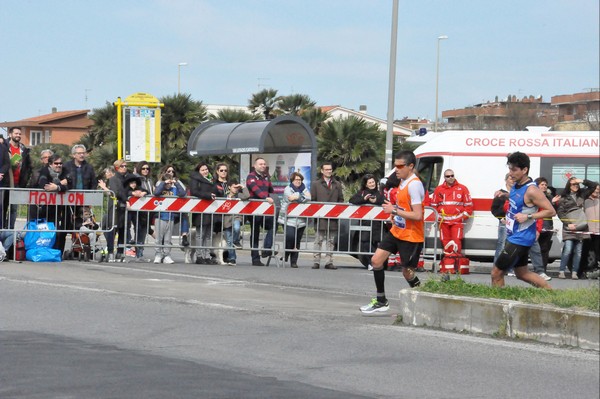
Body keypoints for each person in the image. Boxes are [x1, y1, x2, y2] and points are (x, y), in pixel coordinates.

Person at [360, 151, 424, 314]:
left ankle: (424, 298)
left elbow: (418, 215)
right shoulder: (402, 182)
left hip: (411, 236)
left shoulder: (414, 185)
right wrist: (394, 216)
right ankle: (381, 301)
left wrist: (394, 210)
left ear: (410, 166)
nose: (396, 169)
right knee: (376, 261)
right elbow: (404, 208)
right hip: (397, 231)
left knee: (407, 273)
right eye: (395, 165)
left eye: (400, 166)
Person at [490, 152, 555, 288]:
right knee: (522, 273)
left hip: (521, 237)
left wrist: (528, 216)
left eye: (514, 170)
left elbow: (551, 211)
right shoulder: (516, 185)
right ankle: (552, 294)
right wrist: (504, 195)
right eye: (509, 169)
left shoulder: (532, 190)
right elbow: (519, 199)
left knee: (496, 273)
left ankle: (498, 303)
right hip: (514, 234)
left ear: (524, 170)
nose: (510, 173)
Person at [431, 169, 473, 271]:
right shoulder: (438, 189)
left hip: (456, 222)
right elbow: (433, 206)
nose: (450, 177)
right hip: (443, 222)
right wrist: (439, 218)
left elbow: (469, 207)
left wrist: (460, 218)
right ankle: (448, 267)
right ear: (444, 178)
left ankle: (456, 266)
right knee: (445, 242)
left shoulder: (462, 189)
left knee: (456, 242)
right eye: (448, 176)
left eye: (452, 175)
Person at [310, 162, 344, 270]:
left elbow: (341, 199)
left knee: (331, 240)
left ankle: (329, 261)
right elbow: (313, 200)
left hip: (333, 217)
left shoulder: (337, 184)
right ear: (322, 171)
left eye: (330, 169)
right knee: (318, 239)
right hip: (320, 217)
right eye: (326, 169)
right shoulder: (316, 184)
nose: (329, 171)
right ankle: (316, 261)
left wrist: (337, 210)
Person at [555, 177, 591, 279]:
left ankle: (575, 272)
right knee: (568, 249)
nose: (576, 186)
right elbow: (560, 213)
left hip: (581, 226)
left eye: (577, 184)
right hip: (569, 228)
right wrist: (568, 224)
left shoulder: (582, 195)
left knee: (578, 252)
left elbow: (593, 186)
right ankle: (561, 271)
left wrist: (582, 181)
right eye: (573, 184)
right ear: (569, 186)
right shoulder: (564, 198)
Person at [214, 163, 247, 266]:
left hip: (236, 217)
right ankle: (232, 258)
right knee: (228, 240)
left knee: (237, 228)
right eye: (221, 170)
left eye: (225, 170)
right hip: (226, 220)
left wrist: (242, 187)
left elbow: (247, 195)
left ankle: (237, 240)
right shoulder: (225, 196)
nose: (224, 172)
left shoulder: (239, 195)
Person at [349, 174, 385, 268]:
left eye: (373, 182)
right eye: (370, 182)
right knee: (365, 243)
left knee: (376, 243)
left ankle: (376, 262)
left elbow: (385, 201)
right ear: (366, 184)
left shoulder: (380, 193)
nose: (372, 184)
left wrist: (376, 201)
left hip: (377, 224)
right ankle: (369, 263)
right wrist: (364, 199)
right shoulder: (362, 192)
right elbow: (352, 200)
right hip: (365, 223)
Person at [37, 154, 71, 254]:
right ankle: (46, 251)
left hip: (62, 207)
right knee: (48, 230)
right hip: (47, 207)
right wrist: (61, 184)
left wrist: (57, 187)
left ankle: (58, 252)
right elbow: (44, 185)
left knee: (61, 231)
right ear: (50, 164)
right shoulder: (45, 170)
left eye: (60, 163)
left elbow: (71, 183)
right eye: (56, 163)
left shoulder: (65, 171)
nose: (59, 165)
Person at [153, 167, 186, 264]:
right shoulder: (161, 187)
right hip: (160, 216)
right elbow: (156, 193)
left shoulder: (174, 188)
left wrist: (175, 182)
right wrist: (164, 183)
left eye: (170, 183)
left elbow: (183, 193)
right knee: (159, 238)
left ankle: (167, 255)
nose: (169, 185)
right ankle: (158, 254)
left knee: (168, 238)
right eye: (167, 183)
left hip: (170, 217)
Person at [278, 171, 311, 268]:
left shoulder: (304, 188)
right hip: (288, 219)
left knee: (297, 241)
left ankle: (293, 261)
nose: (298, 181)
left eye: (300, 180)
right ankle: (287, 253)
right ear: (292, 180)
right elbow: (291, 199)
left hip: (301, 220)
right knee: (290, 237)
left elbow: (309, 198)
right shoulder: (287, 189)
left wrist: (298, 197)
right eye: (296, 179)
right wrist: (301, 197)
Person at [246, 157, 275, 266]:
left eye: (264, 164)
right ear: (255, 165)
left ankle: (266, 249)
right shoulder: (251, 176)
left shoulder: (266, 177)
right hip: (253, 208)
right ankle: (255, 258)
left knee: (273, 225)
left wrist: (275, 198)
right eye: (260, 164)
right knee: (255, 232)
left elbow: (271, 190)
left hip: (265, 209)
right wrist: (265, 198)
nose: (263, 166)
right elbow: (255, 189)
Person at [2, 127, 32, 229]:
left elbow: (28, 167)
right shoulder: (3, 147)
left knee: (14, 209)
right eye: (16, 133)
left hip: (17, 183)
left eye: (20, 134)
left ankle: (10, 231)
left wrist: (25, 180)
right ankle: (2, 230)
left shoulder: (23, 149)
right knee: (2, 208)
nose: (18, 135)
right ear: (10, 135)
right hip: (5, 183)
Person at [190, 161, 219, 265]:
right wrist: (207, 195)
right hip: (200, 210)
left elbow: (216, 190)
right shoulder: (195, 179)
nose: (205, 171)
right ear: (199, 171)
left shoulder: (212, 179)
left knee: (208, 235)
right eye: (202, 170)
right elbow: (194, 191)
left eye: (206, 169)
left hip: (211, 209)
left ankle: (207, 256)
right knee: (200, 234)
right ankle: (199, 256)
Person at [534, 177, 555, 281]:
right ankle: (536, 270)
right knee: (534, 250)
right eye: (542, 184)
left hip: (548, 226)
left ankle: (543, 271)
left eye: (546, 185)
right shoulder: (534, 197)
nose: (544, 186)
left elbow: (553, 211)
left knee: (545, 249)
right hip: (537, 226)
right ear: (537, 185)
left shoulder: (549, 196)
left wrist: (554, 202)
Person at [583, 183, 599, 279]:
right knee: (587, 251)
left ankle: (596, 269)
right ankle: (586, 269)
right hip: (587, 230)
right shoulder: (585, 201)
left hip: (598, 231)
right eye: (595, 189)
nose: (596, 191)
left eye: (598, 189)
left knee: (597, 251)